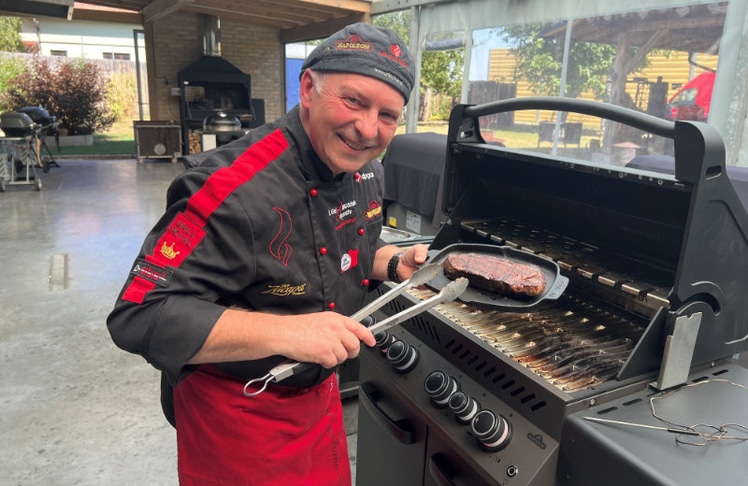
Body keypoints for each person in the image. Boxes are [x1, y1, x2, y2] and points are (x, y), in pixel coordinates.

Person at [107, 22, 428, 485]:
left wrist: (392, 262)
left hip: (319, 397)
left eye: (388, 115)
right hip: (236, 409)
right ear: (308, 88)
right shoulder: (229, 187)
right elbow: (139, 313)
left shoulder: (367, 172)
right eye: (354, 101)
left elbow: (337, 246)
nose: (367, 129)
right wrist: (290, 332)